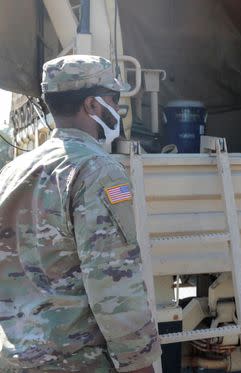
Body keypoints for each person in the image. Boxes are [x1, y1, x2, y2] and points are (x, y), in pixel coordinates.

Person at [0, 55, 161, 372]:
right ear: (92, 105)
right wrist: (139, 362)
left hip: (16, 359)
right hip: (73, 362)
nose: (116, 110)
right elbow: (114, 282)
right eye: (113, 100)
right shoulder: (97, 171)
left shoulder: (11, 172)